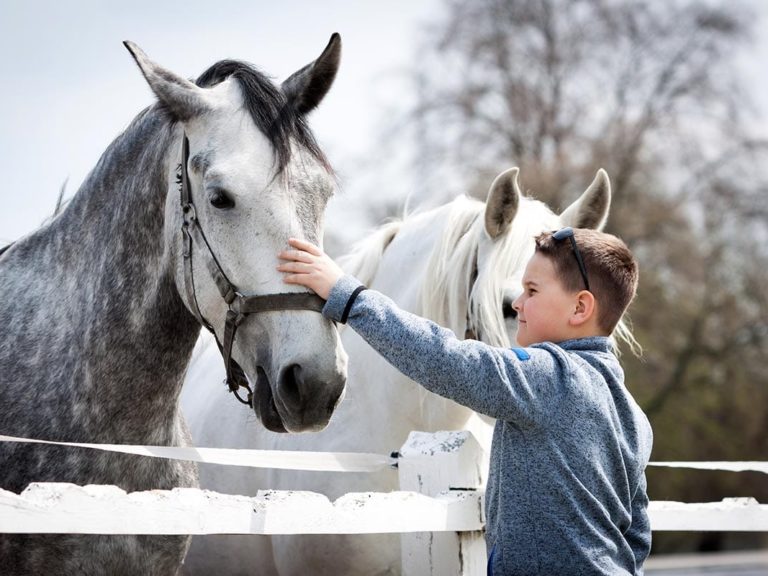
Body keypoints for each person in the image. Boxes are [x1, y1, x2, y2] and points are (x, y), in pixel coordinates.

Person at [277, 227, 653, 576]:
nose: (518, 303)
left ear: (580, 308)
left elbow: (448, 361)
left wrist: (349, 296)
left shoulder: (552, 377)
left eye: (532, 291)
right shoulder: (633, 415)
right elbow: (636, 535)